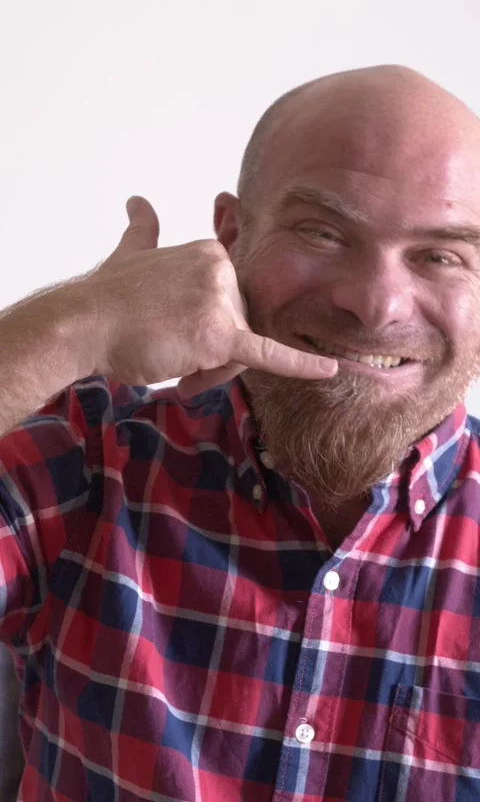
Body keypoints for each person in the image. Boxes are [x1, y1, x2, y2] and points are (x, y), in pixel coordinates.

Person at [1, 64, 480, 802]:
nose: (377, 305)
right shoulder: (92, 458)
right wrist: (76, 325)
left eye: (441, 254)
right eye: (324, 232)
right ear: (231, 235)